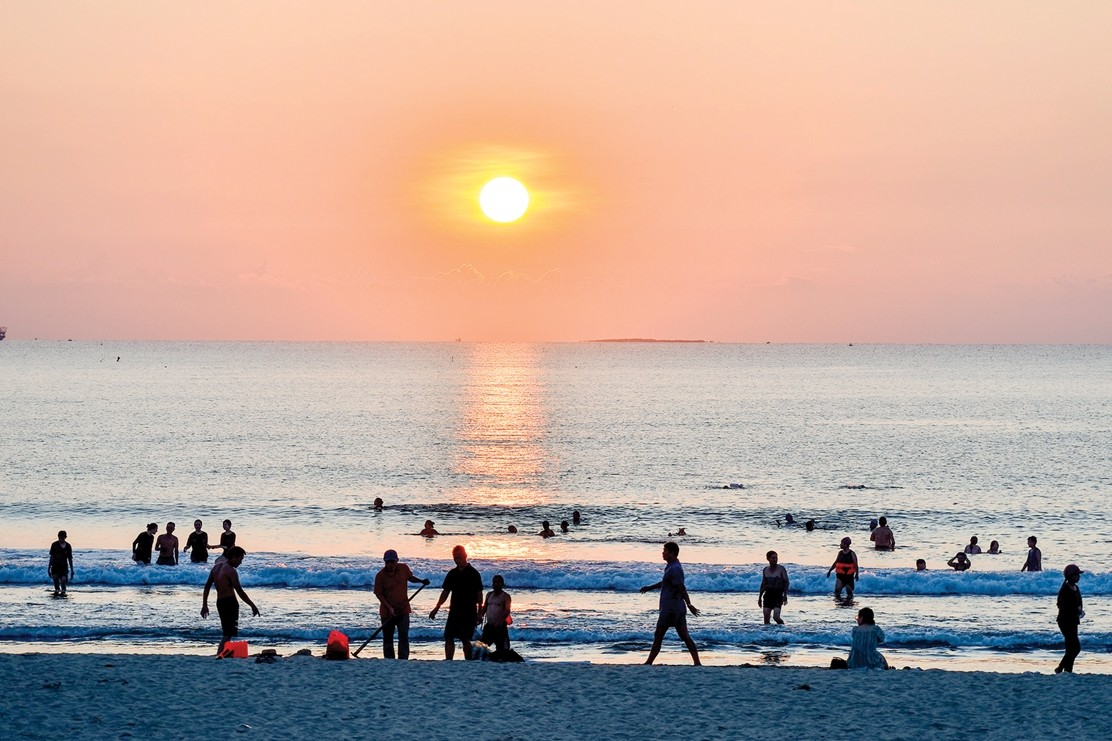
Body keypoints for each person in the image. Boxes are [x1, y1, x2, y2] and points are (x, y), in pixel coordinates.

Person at [640, 541, 701, 665]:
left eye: (665, 551)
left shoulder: (675, 569)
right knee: (685, 637)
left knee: (659, 634)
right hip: (677, 607)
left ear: (672, 553)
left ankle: (649, 662)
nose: (663, 553)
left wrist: (689, 605)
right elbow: (666, 583)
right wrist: (649, 588)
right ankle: (697, 663)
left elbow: (681, 588)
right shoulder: (672, 566)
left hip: (671, 608)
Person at [200, 546, 260, 656]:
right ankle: (220, 655)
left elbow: (207, 586)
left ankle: (222, 654)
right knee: (228, 634)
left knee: (227, 632)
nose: (240, 563)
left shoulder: (216, 568)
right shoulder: (231, 571)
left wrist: (205, 604)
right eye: (240, 559)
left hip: (220, 603)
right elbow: (240, 591)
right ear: (233, 557)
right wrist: (252, 605)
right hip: (230, 603)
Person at [373, 549, 431, 660]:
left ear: (397, 561)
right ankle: (389, 659)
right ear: (385, 562)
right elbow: (379, 594)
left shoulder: (404, 568)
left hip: (403, 609)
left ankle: (403, 658)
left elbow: (411, 578)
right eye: (388, 562)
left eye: (392, 562)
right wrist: (389, 608)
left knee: (403, 635)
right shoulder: (380, 576)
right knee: (388, 637)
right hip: (387, 612)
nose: (390, 564)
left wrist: (421, 581)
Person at [429, 545, 483, 660]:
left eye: (459, 557)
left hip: (469, 611)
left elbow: (479, 594)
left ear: (465, 556)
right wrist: (436, 608)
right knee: (448, 636)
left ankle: (468, 660)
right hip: (454, 611)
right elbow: (445, 593)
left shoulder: (474, 573)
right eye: (455, 558)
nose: (457, 560)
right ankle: (449, 660)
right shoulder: (452, 573)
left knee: (465, 638)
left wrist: (480, 612)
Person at [1055, 564, 1084, 674]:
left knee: (1070, 647)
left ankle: (1068, 670)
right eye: (1076, 575)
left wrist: (1080, 609)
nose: (1078, 577)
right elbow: (1061, 606)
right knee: (1075, 648)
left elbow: (1079, 602)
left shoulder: (1076, 588)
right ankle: (1060, 668)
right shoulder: (1065, 589)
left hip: (1073, 620)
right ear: (1071, 576)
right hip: (1065, 621)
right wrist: (1075, 610)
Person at [480, 574, 512, 653]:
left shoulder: (506, 596)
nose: (495, 584)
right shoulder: (489, 594)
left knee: (503, 650)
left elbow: (507, 610)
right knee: (482, 649)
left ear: (502, 584)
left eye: (498, 582)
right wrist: (480, 616)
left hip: (500, 627)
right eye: (494, 582)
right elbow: (485, 607)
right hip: (489, 626)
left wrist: (500, 621)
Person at [758, 550, 790, 625]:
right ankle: (769, 634)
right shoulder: (765, 570)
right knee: (766, 618)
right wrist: (759, 598)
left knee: (776, 617)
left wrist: (785, 595)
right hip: (768, 595)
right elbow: (763, 584)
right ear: (768, 559)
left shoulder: (781, 569)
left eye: (776, 557)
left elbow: (786, 582)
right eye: (773, 558)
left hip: (778, 595)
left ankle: (782, 629)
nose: (775, 559)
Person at [826, 537, 859, 602]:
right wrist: (830, 571)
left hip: (849, 576)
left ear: (846, 544)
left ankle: (848, 603)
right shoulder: (840, 553)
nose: (840, 545)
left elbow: (856, 564)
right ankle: (839, 603)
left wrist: (857, 574)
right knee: (837, 591)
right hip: (840, 576)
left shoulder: (852, 553)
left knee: (849, 592)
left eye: (841, 543)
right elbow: (836, 562)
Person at [48, 531, 74, 595]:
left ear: (65, 537)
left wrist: (72, 570)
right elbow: (52, 557)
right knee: (56, 580)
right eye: (60, 537)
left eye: (62, 537)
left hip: (64, 567)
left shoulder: (68, 546)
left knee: (63, 580)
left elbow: (70, 559)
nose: (61, 539)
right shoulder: (54, 545)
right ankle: (57, 595)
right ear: (58, 536)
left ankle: (63, 594)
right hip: (55, 567)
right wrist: (48, 568)